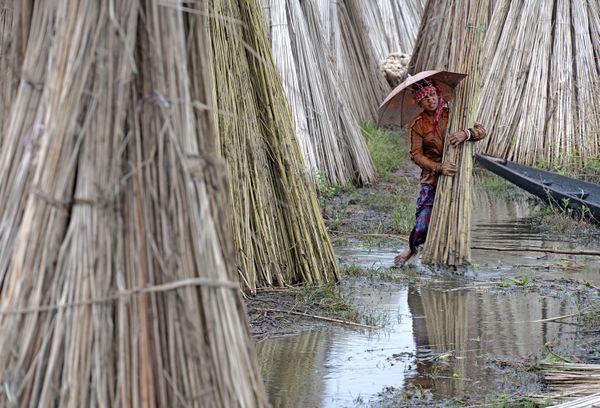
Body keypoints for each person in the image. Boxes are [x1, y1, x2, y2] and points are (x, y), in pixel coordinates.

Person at [394, 79, 486, 267]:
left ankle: (452, 258)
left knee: (455, 219)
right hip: (432, 178)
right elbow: (416, 155)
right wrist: (438, 167)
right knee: (423, 222)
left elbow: (481, 131)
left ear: (438, 95)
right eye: (425, 98)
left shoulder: (454, 115)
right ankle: (413, 249)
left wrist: (465, 134)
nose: (431, 100)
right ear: (419, 103)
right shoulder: (417, 124)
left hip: (457, 177)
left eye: (433, 95)